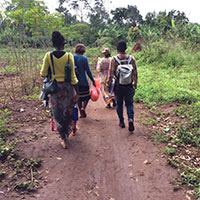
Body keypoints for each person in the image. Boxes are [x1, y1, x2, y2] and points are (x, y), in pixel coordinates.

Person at [40, 31, 78, 149]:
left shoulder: (48, 56)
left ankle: (64, 138)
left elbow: (43, 73)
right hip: (67, 89)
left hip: (55, 89)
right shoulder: (69, 56)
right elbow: (73, 76)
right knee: (69, 112)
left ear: (54, 43)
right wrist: (77, 91)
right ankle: (70, 130)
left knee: (57, 114)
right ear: (63, 44)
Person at [107, 40, 138, 132]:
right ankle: (130, 119)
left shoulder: (114, 59)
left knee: (119, 104)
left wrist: (109, 85)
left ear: (117, 49)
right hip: (129, 85)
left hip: (118, 86)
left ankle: (121, 121)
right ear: (126, 48)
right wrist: (135, 82)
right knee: (129, 104)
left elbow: (111, 74)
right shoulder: (131, 59)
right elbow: (135, 72)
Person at [73, 43, 96, 118]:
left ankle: (80, 111)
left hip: (75, 81)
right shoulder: (84, 59)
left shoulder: (72, 57)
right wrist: (93, 81)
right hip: (84, 81)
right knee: (87, 96)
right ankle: (83, 107)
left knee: (78, 97)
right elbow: (88, 71)